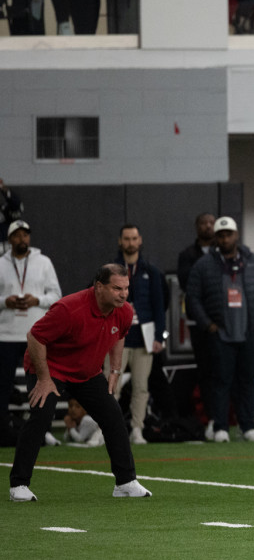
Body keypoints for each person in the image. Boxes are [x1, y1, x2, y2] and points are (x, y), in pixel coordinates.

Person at [9, 264, 153, 502]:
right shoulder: (68, 309)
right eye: (117, 288)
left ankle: (125, 482)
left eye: (126, 288)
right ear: (99, 287)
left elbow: (119, 335)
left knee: (113, 415)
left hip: (86, 373)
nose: (124, 294)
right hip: (50, 368)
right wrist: (44, 379)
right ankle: (19, 485)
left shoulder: (124, 310)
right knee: (41, 417)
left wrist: (115, 370)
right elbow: (34, 337)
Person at [186, 216, 254, 443]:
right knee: (220, 381)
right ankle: (221, 427)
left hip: (249, 332)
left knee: (247, 380)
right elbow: (192, 297)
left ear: (236, 235)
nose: (225, 238)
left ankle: (248, 427)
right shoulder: (204, 265)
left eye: (229, 234)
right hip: (221, 333)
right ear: (216, 238)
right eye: (221, 235)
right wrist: (208, 324)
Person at [0, 220, 61, 443]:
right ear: (9, 239)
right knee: (3, 386)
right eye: (17, 235)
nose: (22, 239)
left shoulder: (43, 262)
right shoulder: (1, 264)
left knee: (41, 383)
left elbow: (56, 296)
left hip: (36, 334)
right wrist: (6, 301)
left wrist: (38, 299)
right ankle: (3, 431)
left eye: (25, 235)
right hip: (5, 334)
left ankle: (43, 431)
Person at [112, 224, 167, 446]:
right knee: (110, 387)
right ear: (120, 241)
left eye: (134, 238)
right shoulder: (111, 270)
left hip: (143, 339)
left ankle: (137, 429)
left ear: (140, 240)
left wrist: (159, 337)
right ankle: (106, 430)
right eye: (126, 238)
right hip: (117, 338)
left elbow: (159, 305)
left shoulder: (150, 271)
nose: (131, 243)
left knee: (141, 387)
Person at [178, 212, 218, 430]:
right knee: (204, 371)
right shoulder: (187, 255)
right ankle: (209, 419)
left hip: (221, 320)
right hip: (198, 322)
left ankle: (227, 419)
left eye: (211, 223)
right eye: (203, 223)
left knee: (222, 372)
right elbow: (188, 283)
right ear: (197, 227)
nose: (208, 227)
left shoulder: (222, 253)